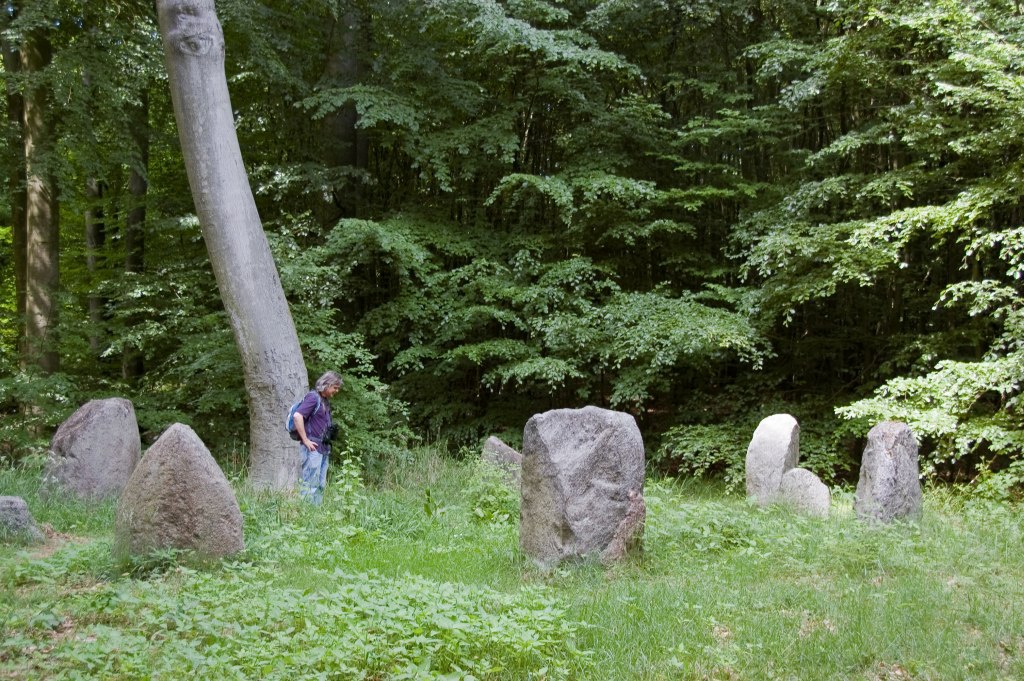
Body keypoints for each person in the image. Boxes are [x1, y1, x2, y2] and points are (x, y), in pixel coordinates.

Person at [293, 371, 342, 504]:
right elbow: (297, 416)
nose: (336, 391)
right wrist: (305, 440)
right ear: (327, 384)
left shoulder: (324, 401)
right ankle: (305, 513)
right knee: (309, 483)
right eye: (335, 387)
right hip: (313, 448)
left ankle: (315, 514)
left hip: (323, 448)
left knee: (320, 485)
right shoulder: (313, 397)